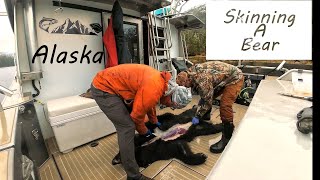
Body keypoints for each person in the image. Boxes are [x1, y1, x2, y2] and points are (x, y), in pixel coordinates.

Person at [91, 64, 191, 180]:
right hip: (104, 88)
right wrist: (144, 132)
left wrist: (154, 121)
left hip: (111, 82)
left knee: (130, 122)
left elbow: (149, 103)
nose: (169, 106)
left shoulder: (163, 84)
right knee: (127, 127)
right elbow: (137, 117)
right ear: (172, 97)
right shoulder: (153, 89)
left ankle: (124, 154)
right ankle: (134, 176)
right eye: (171, 104)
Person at [176, 61, 244, 153]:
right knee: (206, 96)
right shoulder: (190, 72)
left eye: (184, 86)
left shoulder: (201, 80)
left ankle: (227, 137)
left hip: (234, 78)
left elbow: (207, 101)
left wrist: (197, 117)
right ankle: (206, 117)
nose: (185, 88)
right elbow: (205, 95)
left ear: (187, 80)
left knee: (225, 105)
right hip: (223, 77)